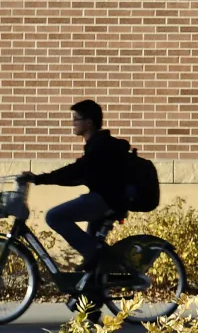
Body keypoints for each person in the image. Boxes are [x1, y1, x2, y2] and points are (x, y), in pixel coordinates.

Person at [17, 100, 135, 295]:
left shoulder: (100, 146)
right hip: (106, 198)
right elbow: (78, 175)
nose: (72, 124)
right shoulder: (98, 145)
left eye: (75, 120)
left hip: (105, 200)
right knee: (91, 263)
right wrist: (43, 180)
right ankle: (92, 305)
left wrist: (39, 179)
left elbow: (76, 170)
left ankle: (99, 256)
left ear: (88, 122)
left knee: (54, 216)